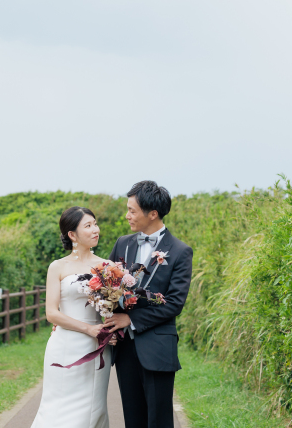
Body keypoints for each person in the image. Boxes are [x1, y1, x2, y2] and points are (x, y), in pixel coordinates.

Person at [104, 181, 193, 428]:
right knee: (132, 418)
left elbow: (174, 303)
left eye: (132, 210)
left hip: (157, 347)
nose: (127, 215)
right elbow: (107, 287)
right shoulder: (123, 243)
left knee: (159, 420)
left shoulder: (180, 251)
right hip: (125, 349)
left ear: (153, 213)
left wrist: (131, 319)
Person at [30, 206, 117, 428]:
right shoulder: (57, 266)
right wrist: (88, 329)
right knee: (56, 408)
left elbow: (113, 311)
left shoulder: (108, 266)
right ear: (72, 234)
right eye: (88, 226)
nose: (96, 229)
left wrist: (110, 330)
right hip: (65, 344)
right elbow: (52, 313)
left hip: (98, 347)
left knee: (93, 410)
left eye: (95, 223)